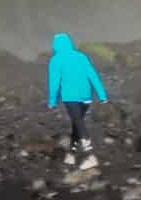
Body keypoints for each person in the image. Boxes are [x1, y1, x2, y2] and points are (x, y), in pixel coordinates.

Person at [45, 32, 107, 166]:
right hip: (86, 97)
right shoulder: (81, 56)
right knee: (76, 124)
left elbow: (54, 82)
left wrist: (52, 101)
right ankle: (71, 155)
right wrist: (102, 95)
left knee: (79, 124)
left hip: (71, 97)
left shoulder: (56, 60)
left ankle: (90, 156)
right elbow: (92, 75)